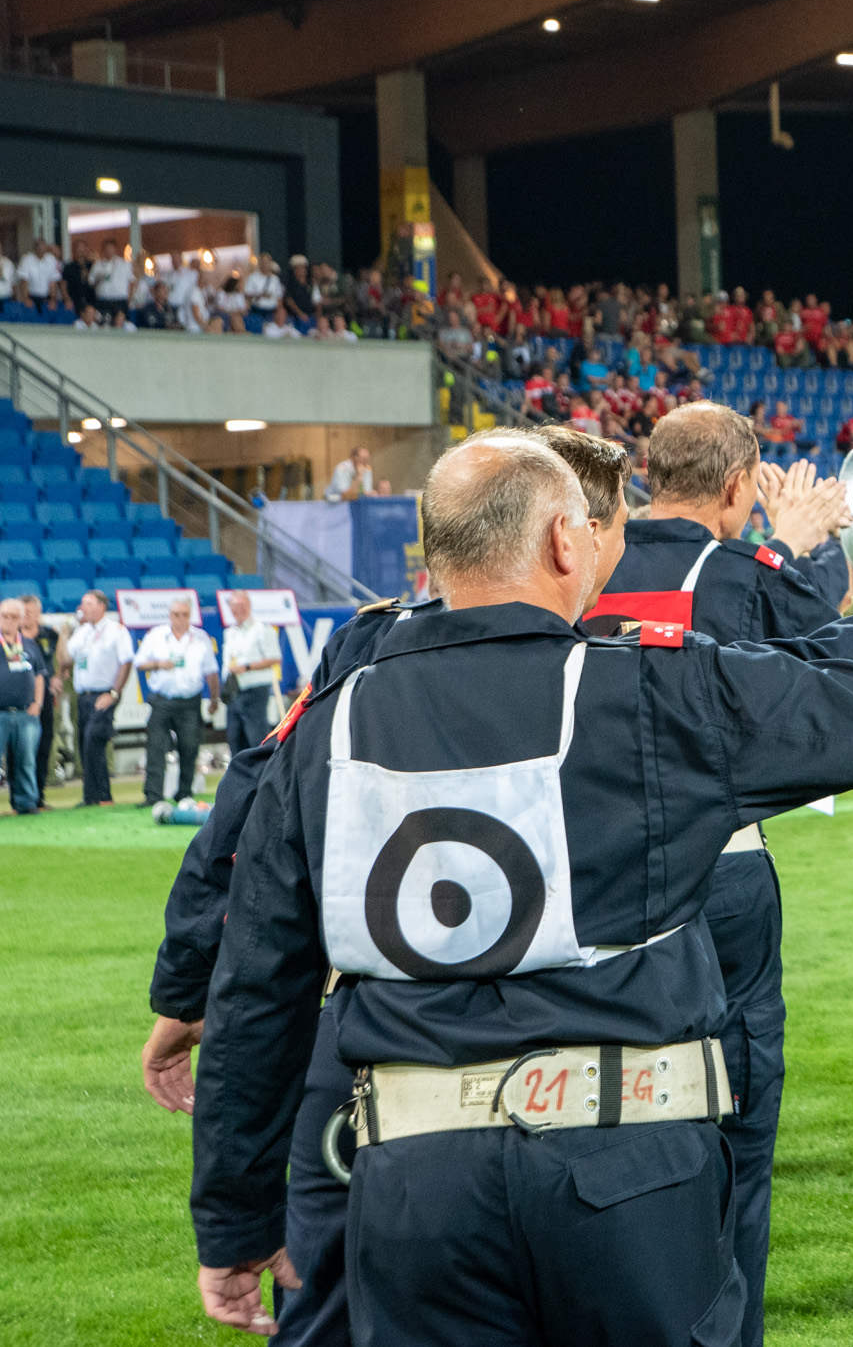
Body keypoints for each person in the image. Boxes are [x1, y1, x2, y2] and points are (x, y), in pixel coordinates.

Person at [187, 428, 853, 1343]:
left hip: (410, 1184)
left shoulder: (333, 719)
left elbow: (258, 985)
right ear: (563, 543)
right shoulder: (644, 690)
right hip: (624, 1170)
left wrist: (233, 1216)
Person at [143, 426, 636, 1347]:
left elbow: (243, 813)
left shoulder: (364, 652)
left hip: (373, 1050)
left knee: (337, 1304)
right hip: (564, 1090)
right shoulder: (624, 680)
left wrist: (185, 984)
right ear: (576, 534)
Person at [579, 404, 853, 1347]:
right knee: (736, 1132)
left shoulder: (582, 563)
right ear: (741, 486)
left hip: (589, 882)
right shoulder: (739, 576)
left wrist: (789, 543)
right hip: (719, 875)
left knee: (606, 1125)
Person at [134, 597, 221, 809]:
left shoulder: (201, 638)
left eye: (184, 614)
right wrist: (157, 664)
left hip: (189, 702)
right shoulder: (156, 635)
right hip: (162, 700)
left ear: (190, 616)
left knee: (189, 747)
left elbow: (211, 672)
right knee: (155, 747)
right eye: (176, 614)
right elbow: (139, 663)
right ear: (169, 615)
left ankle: (184, 793)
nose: (180, 619)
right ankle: (153, 795)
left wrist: (214, 698)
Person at [62, 589, 134, 806]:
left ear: (101, 606)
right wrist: (65, 633)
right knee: (85, 743)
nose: (82, 607)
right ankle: (96, 796)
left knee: (94, 741)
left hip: (104, 695)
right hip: (83, 696)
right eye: (82, 603)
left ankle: (99, 795)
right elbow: (65, 658)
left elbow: (126, 661)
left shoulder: (116, 631)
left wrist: (114, 693)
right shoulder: (83, 633)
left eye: (88, 603)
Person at [0, 597, 48, 814]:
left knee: (26, 761)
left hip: (26, 712)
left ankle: (26, 803)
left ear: (20, 619)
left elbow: (39, 675)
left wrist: (38, 702)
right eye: (5, 616)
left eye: (13, 617)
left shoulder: (28, 644)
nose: (9, 620)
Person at [220, 591, 283, 753]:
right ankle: (239, 777)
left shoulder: (262, 629)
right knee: (235, 740)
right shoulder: (230, 632)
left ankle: (261, 777)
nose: (238, 610)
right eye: (234, 607)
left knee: (256, 740)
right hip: (233, 691)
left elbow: (274, 658)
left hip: (254, 692)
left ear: (249, 606)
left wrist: (247, 667)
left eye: (242, 606)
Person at [20, 594, 60, 807]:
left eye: (30, 611)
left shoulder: (50, 635)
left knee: (44, 745)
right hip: (20, 699)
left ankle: (39, 795)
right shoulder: (10, 637)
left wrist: (58, 677)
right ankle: (22, 798)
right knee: (22, 750)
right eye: (22, 611)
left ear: (38, 613)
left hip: (44, 698)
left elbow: (59, 658)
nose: (26, 615)